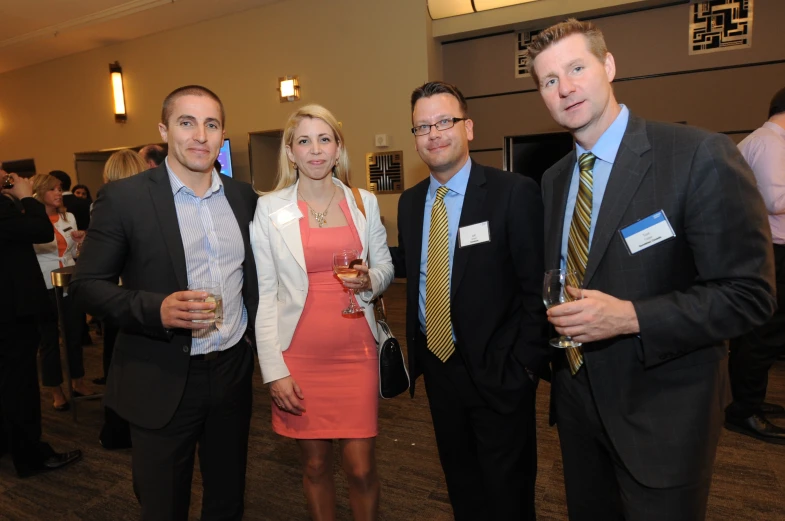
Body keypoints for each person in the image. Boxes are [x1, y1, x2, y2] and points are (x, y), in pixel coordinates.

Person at [528, 19, 776, 521]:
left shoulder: (696, 155)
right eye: (549, 80)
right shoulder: (554, 179)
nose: (565, 88)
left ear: (609, 65)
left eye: (576, 68)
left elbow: (750, 294)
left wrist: (632, 317)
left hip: (663, 411)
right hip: (578, 404)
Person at [70, 85, 259, 521]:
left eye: (211, 125)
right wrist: (155, 309)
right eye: (186, 122)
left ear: (222, 133)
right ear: (164, 130)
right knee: (163, 505)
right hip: (160, 372)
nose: (200, 135)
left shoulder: (243, 197)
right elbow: (87, 285)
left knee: (228, 499)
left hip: (231, 370)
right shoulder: (126, 198)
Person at [396, 81, 548, 521]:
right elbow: (419, 266)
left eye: (445, 121)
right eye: (422, 126)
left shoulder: (513, 193)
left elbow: (534, 287)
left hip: (500, 370)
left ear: (469, 127)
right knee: (461, 483)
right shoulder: (410, 203)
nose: (434, 133)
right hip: (438, 367)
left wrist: (525, 367)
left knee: (508, 492)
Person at [250, 104, 393, 521]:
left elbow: (385, 266)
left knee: (362, 468)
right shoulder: (270, 208)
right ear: (290, 152)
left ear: (338, 149)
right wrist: (273, 369)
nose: (315, 150)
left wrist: (371, 280)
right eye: (304, 141)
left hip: (357, 351)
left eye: (324, 139)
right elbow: (266, 293)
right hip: (299, 356)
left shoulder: (362, 202)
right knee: (314, 466)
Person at [0, 171, 82, 478]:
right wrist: (24, 196)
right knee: (20, 384)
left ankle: (8, 442)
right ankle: (30, 455)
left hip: (9, 306)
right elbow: (40, 231)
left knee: (8, 381)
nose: (8, 175)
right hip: (12, 310)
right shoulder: (9, 205)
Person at [725, 86, 785, 443]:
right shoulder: (768, 142)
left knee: (761, 333)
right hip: (771, 250)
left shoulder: (769, 142)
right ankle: (743, 410)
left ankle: (744, 400)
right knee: (763, 334)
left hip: (771, 248)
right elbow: (776, 199)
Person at [94, 149, 149, 450]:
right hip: (135, 297)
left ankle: (116, 427)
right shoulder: (144, 205)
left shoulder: (104, 204)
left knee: (117, 362)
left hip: (116, 298)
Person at [30, 174, 91, 411]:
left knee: (74, 335)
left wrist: (80, 240)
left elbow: (74, 252)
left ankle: (78, 381)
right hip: (43, 283)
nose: (58, 193)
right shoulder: (32, 220)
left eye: (60, 188)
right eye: (53, 189)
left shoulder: (69, 216)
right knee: (49, 341)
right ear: (39, 192)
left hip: (69, 281)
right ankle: (55, 390)